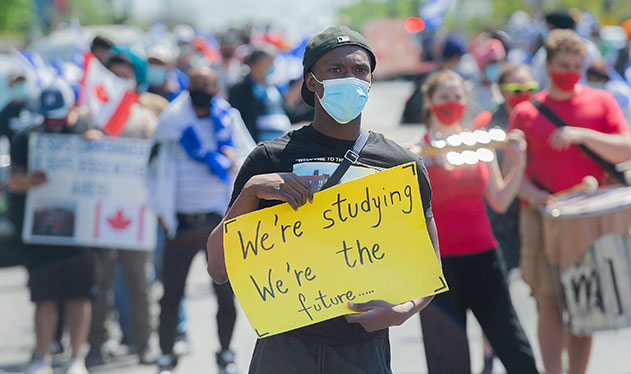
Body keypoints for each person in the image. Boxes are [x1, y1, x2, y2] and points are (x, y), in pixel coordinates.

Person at [206, 25, 439, 374]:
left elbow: (429, 269)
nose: (351, 78)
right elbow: (218, 268)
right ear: (311, 81)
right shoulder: (270, 159)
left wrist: (403, 310)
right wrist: (251, 191)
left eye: (360, 70)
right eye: (336, 70)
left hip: (363, 350)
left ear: (372, 79)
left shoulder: (400, 164)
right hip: (284, 348)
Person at [509, 29, 631, 374]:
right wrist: (534, 195)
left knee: (586, 304)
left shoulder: (601, 101)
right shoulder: (526, 113)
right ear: (547, 65)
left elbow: (626, 148)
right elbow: (512, 173)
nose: (570, 71)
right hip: (541, 217)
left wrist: (582, 135)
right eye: (563, 64)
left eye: (577, 65)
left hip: (590, 218)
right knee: (548, 305)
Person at [412, 69, 538, 374]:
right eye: (444, 96)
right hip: (439, 267)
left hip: (484, 259)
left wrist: (518, 162)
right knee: (447, 360)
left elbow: (500, 199)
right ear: (429, 101)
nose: (452, 102)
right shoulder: (415, 152)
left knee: (513, 345)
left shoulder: (479, 146)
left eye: (458, 96)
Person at [149, 66, 254, 374]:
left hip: (218, 223)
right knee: (170, 295)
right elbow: (154, 172)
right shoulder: (172, 124)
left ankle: (225, 354)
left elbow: (250, 158)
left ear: (215, 88)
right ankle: (166, 355)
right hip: (179, 224)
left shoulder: (227, 120)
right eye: (196, 84)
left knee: (225, 295)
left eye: (207, 84)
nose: (202, 90)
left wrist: (233, 161)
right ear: (187, 87)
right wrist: (159, 212)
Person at [10, 80, 95, 374]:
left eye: (59, 115)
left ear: (71, 109)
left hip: (80, 232)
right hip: (42, 233)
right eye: (49, 116)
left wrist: (99, 142)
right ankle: (40, 357)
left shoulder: (85, 131)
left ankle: (76, 358)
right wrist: (27, 181)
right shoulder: (26, 137)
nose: (54, 122)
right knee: (44, 297)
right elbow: (13, 181)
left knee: (79, 295)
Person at [85, 52, 157, 367]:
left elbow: (157, 161)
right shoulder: (90, 117)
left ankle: (143, 343)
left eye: (123, 77)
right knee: (97, 282)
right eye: (111, 76)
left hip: (136, 212)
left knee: (138, 281)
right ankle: (96, 343)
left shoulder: (144, 117)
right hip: (98, 211)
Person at [472, 63, 538, 373]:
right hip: (502, 218)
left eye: (529, 89)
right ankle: (489, 353)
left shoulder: (538, 115)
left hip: (534, 214)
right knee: (497, 298)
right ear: (500, 90)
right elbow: (495, 182)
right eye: (515, 90)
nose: (523, 95)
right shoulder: (490, 125)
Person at [228, 44, 292, 142]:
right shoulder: (240, 88)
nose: (272, 65)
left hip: (280, 142)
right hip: (257, 143)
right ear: (256, 63)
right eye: (269, 61)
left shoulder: (272, 86)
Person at [401, 34, 466, 124]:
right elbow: (417, 109)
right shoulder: (432, 78)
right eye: (444, 97)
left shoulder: (430, 73)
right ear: (456, 57)